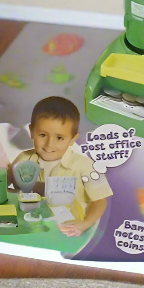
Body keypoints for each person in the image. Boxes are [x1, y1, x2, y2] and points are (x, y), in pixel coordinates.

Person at [11, 96, 113, 237]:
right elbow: (11, 188)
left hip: (71, 231)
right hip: (35, 228)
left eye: (59, 138)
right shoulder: (23, 160)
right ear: (32, 131)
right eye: (42, 135)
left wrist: (84, 225)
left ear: (72, 139)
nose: (49, 144)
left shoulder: (85, 166)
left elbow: (100, 201)